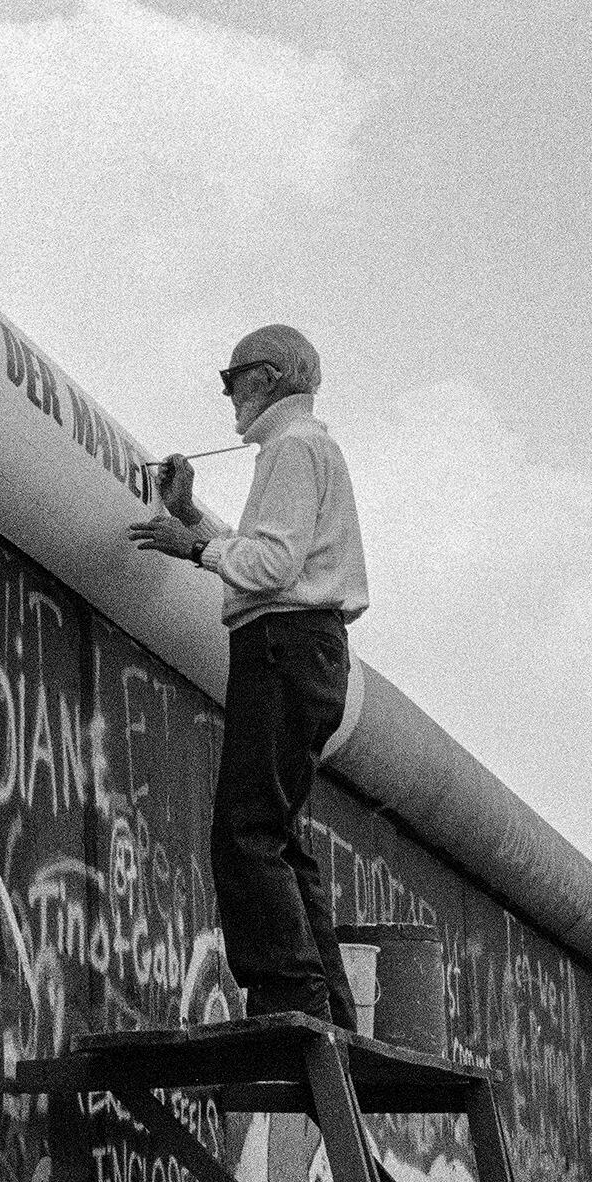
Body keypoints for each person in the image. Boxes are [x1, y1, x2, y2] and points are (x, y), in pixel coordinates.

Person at [126, 324, 368, 1026]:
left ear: (266, 377)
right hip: (310, 650)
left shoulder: (291, 449)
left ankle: (285, 996)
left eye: (231, 380)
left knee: (244, 833)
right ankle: (325, 1007)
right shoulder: (310, 447)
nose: (228, 394)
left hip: (280, 646)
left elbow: (271, 567)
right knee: (278, 834)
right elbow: (272, 554)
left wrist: (191, 547)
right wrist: (191, 518)